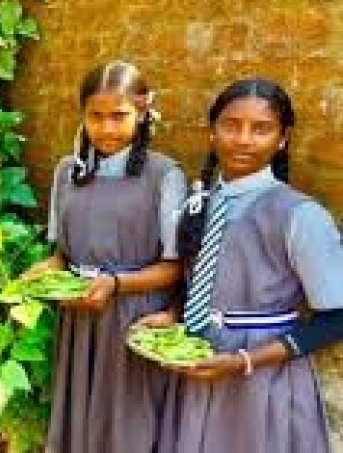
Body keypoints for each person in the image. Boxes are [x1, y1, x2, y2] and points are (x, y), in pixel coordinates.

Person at [139, 78, 343, 453]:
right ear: (211, 132)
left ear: (283, 139)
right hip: (198, 362)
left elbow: (336, 317)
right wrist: (173, 315)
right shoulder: (198, 205)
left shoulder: (300, 216)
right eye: (231, 125)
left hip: (262, 378)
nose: (244, 140)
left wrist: (245, 361)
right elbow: (205, 280)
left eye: (261, 129)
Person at [22, 61, 187, 453]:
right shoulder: (67, 172)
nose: (107, 129)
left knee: (127, 423)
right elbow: (63, 255)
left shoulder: (165, 176)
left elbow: (175, 267)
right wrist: (47, 271)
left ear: (142, 112)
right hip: (79, 316)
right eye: (95, 116)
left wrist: (114, 284)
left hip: (133, 319)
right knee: (79, 419)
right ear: (82, 115)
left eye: (119, 116)